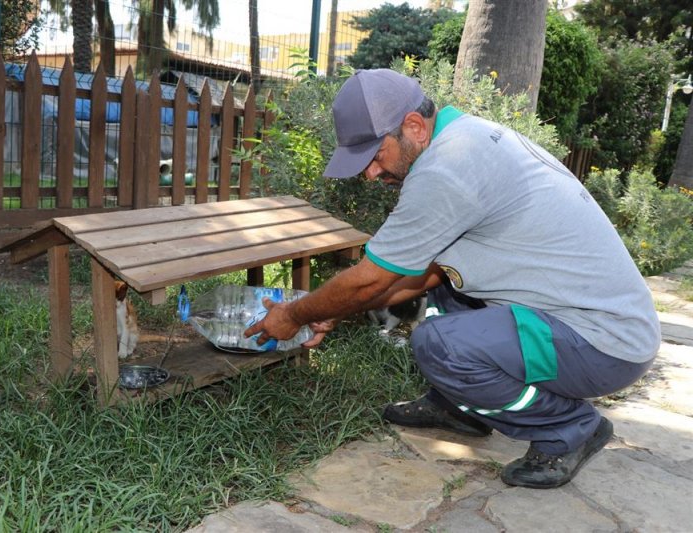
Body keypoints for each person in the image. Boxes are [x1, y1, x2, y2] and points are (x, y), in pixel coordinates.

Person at [244, 69, 660, 489]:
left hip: (601, 344)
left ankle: (568, 427)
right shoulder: (468, 135)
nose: (370, 174)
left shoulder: (446, 170)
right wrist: (336, 307)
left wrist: (295, 314)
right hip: (598, 322)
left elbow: (369, 280)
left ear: (413, 126)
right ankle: (458, 406)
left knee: (439, 346)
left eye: (374, 155)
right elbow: (417, 277)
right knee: (446, 285)